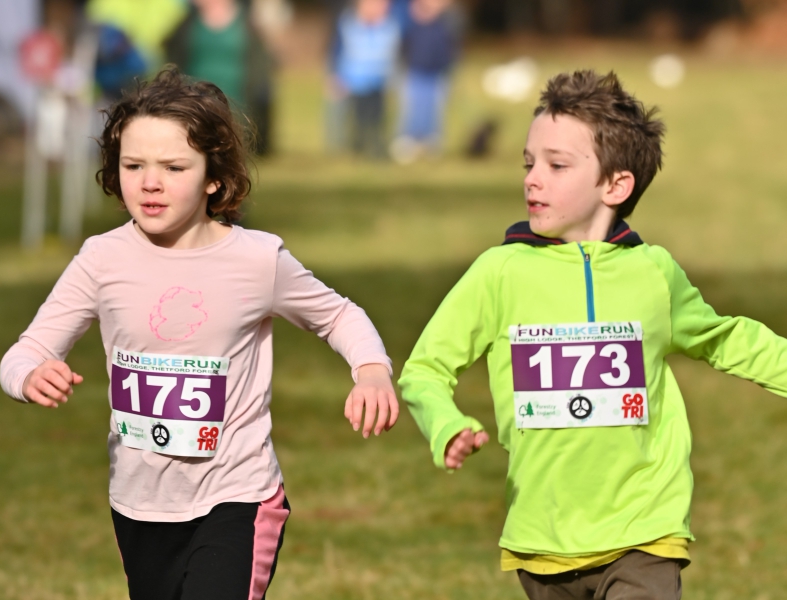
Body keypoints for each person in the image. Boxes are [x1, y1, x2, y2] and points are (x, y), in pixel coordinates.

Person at [0, 67, 398, 600]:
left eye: (173, 166)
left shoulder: (257, 260)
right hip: (138, 504)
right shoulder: (102, 259)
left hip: (237, 495)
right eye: (133, 165)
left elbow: (340, 315)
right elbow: (25, 351)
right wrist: (29, 376)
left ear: (214, 176)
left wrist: (371, 370)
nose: (150, 182)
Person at [398, 69, 787, 599]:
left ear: (616, 184)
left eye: (557, 165)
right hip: (543, 536)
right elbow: (425, 369)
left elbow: (725, 339)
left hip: (645, 529)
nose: (533, 178)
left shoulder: (654, 272)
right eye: (529, 163)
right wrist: (444, 425)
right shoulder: (499, 273)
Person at [164, 0, 276, 155]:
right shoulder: (186, 23)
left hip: (236, 96)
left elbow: (261, 62)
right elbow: (172, 55)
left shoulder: (247, 22)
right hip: (195, 98)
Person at [390, 0, 462, 163]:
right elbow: (400, 47)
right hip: (414, 73)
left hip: (437, 75)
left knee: (434, 110)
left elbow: (453, 47)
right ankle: (407, 141)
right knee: (412, 109)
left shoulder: (447, 23)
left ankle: (430, 142)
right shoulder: (408, 22)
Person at [327, 0, 401, 157]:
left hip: (379, 81)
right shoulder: (348, 25)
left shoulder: (389, 26)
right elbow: (337, 52)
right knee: (358, 117)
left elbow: (395, 55)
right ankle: (357, 145)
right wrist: (337, 77)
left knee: (377, 117)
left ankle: (376, 145)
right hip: (356, 82)